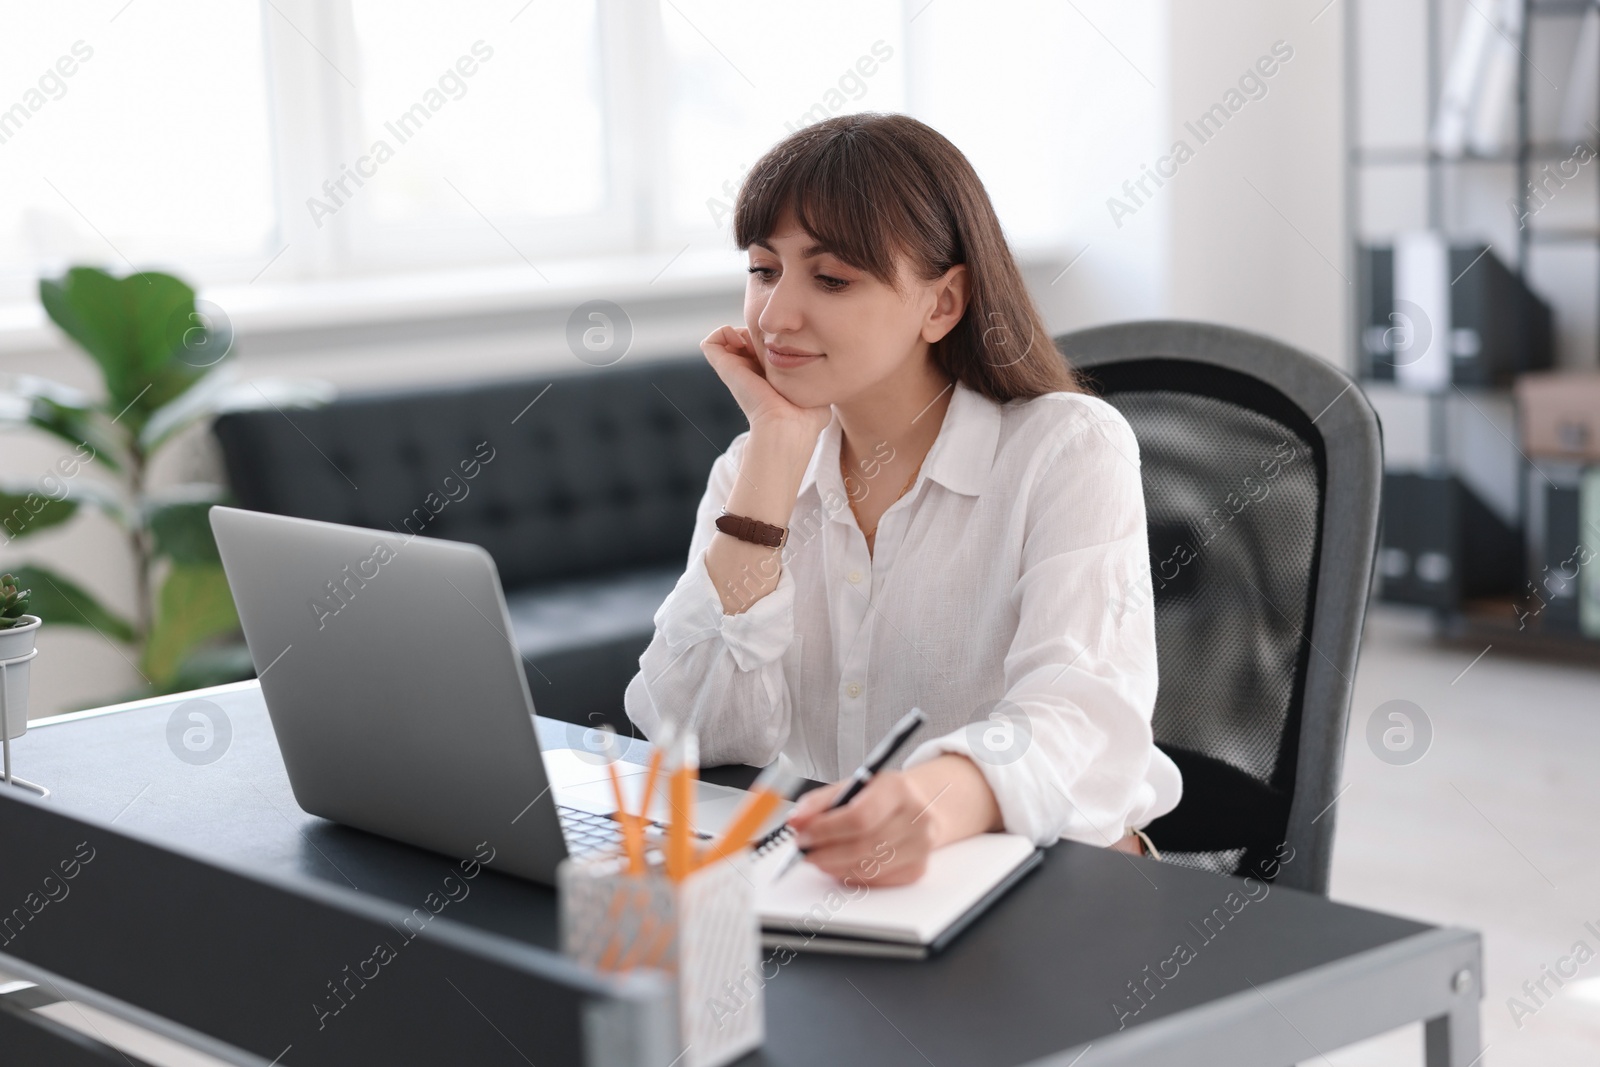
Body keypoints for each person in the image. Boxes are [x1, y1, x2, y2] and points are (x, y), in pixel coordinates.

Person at [624, 112, 1180, 886]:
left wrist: (929, 801)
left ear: (942, 303)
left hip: (1058, 890)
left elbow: (1080, 716)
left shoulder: (1067, 449)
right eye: (762, 269)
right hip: (848, 892)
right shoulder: (752, 469)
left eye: (831, 279)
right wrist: (775, 458)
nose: (776, 315)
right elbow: (692, 735)